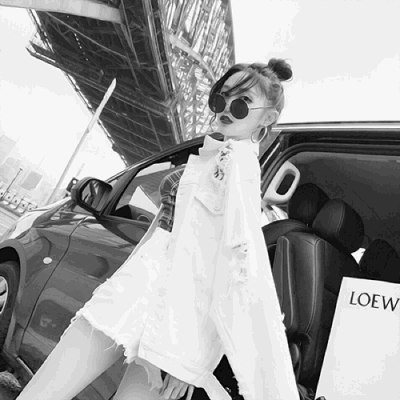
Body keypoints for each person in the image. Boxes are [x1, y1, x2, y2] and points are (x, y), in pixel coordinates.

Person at [16, 59, 309, 400]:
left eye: (242, 103)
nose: (227, 108)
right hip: (140, 293)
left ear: (267, 118)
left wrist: (192, 362)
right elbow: (166, 234)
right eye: (221, 97)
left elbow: (235, 268)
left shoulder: (239, 165)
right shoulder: (214, 156)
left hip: (167, 314)